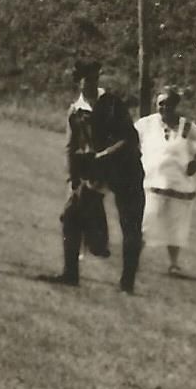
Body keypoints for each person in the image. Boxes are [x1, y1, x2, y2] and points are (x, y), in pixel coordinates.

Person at [59, 60, 143, 292]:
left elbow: (129, 139)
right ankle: (70, 274)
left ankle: (127, 284)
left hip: (127, 169)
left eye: (95, 78)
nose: (91, 83)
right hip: (96, 170)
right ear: (79, 82)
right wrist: (72, 179)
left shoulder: (113, 104)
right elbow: (70, 146)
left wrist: (102, 156)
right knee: (70, 215)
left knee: (130, 226)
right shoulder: (75, 110)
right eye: (87, 79)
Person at [136, 85, 196, 276]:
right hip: (152, 184)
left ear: (175, 105)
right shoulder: (145, 124)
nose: (164, 108)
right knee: (144, 224)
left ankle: (174, 264)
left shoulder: (185, 126)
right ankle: (134, 259)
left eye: (168, 104)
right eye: (161, 104)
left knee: (176, 227)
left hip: (180, 185)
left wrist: (195, 164)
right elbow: (129, 139)